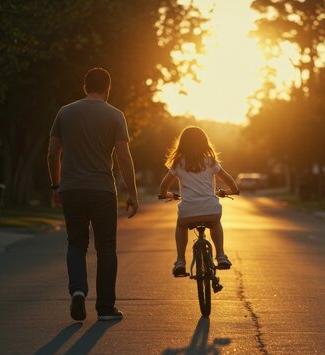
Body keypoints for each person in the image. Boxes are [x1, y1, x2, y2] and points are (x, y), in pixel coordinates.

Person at [47, 67, 138, 322]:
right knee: (106, 249)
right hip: (102, 190)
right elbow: (123, 156)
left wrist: (56, 186)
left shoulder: (65, 112)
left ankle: (77, 290)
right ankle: (106, 308)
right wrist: (132, 193)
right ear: (108, 88)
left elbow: (53, 153)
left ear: (84, 87)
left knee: (76, 243)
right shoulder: (115, 115)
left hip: (72, 189)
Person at [159, 126, 239, 276]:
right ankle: (221, 256)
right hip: (210, 210)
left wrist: (168, 195)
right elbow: (232, 184)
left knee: (181, 225)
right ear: (204, 143)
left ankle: (180, 261)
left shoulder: (178, 164)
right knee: (215, 223)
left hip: (188, 212)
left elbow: (163, 187)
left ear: (182, 143)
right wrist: (228, 192)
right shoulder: (211, 162)